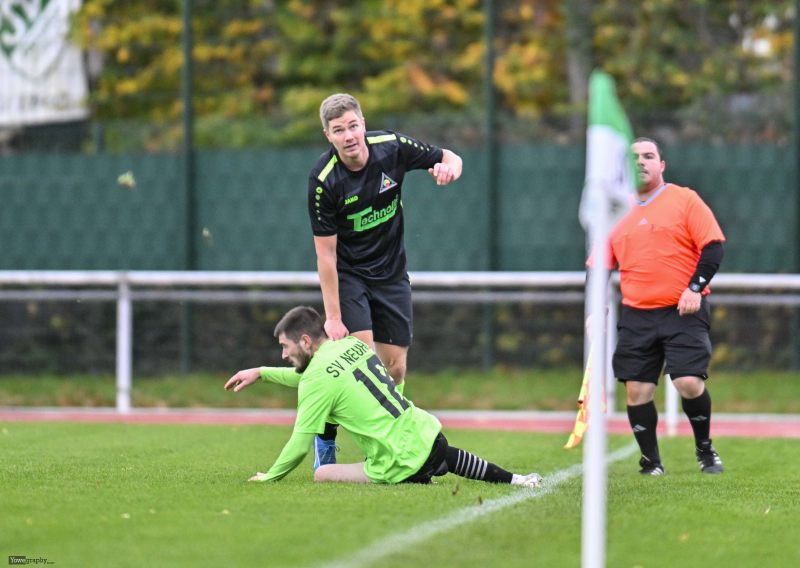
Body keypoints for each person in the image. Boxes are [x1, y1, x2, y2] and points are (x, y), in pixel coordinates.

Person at [307, 93, 463, 468]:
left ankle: (391, 431)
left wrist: (450, 168)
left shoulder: (391, 147)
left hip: (391, 274)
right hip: (350, 276)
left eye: (353, 126)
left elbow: (449, 157)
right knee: (360, 364)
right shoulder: (323, 181)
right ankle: (327, 438)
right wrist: (332, 317)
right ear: (328, 136)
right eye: (338, 130)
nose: (348, 136)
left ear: (363, 123)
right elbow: (326, 255)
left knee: (394, 368)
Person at [224, 306, 541, 487]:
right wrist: (262, 372)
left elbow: (297, 445)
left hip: (396, 461)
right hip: (428, 435)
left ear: (305, 341)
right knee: (447, 456)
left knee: (322, 474)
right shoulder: (352, 344)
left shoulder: (316, 380)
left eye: (286, 347)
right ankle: (516, 480)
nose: (283, 355)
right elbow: (312, 376)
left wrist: (270, 477)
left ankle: (409, 475)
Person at [587, 137, 725, 476]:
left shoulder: (684, 199)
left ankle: (705, 449)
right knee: (637, 390)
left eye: (649, 156)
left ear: (661, 165)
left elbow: (713, 246)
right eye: (634, 157)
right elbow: (599, 265)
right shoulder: (615, 209)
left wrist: (695, 288)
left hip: (683, 311)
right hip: (636, 314)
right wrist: (594, 310)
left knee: (688, 382)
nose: (641, 162)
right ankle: (651, 462)